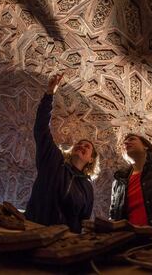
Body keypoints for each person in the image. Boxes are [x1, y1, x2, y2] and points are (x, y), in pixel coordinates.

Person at [25, 74, 100, 233]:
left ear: (91, 159)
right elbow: (41, 129)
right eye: (79, 144)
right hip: (34, 230)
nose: (81, 146)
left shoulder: (87, 188)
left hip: (63, 242)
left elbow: (83, 222)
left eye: (87, 146)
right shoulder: (54, 161)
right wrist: (49, 94)